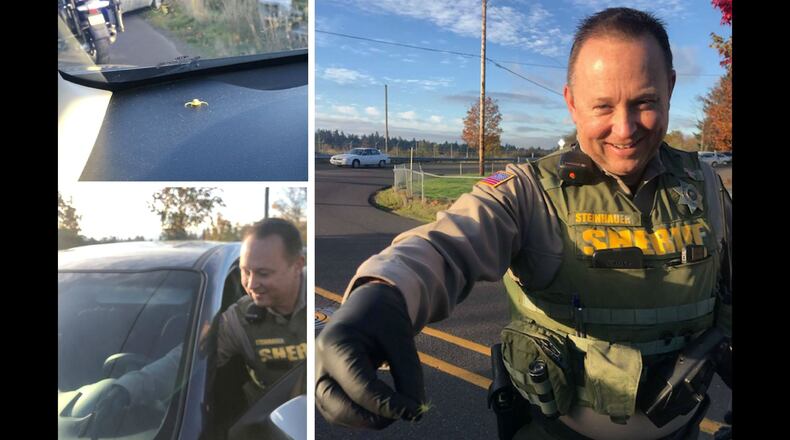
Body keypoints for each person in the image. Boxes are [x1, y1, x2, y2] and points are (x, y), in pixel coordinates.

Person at [315, 7, 731, 440]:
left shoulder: (704, 185)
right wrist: (382, 294)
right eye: (603, 106)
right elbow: (448, 242)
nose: (624, 129)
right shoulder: (530, 192)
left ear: (670, 88)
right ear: (572, 102)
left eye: (644, 102)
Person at [88, 218, 307, 437]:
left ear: (298, 265)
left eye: (263, 273)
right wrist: (126, 389)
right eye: (245, 271)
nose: (251, 284)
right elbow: (185, 360)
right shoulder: (239, 321)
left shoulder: (322, 306)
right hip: (274, 427)